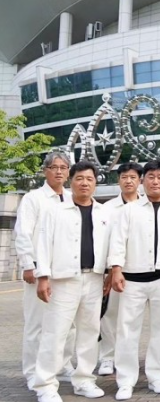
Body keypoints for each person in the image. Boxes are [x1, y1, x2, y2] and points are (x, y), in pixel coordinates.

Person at [109, 160, 160, 401]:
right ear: (143, 181)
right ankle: (125, 380)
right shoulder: (129, 210)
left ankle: (157, 377)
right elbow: (118, 241)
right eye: (151, 177)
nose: (155, 181)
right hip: (131, 280)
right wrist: (116, 269)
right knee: (127, 331)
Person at [32, 161, 111, 402]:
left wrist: (110, 272)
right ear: (71, 181)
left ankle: (84, 380)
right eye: (79, 178)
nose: (84, 183)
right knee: (55, 333)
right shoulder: (55, 211)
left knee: (89, 332)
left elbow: (111, 244)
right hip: (63, 280)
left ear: (96, 183)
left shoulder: (104, 213)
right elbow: (43, 245)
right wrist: (42, 276)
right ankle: (45, 385)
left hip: (94, 278)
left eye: (89, 179)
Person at [14, 151, 75, 390]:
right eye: (54, 167)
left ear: (68, 172)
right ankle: (32, 371)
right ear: (45, 171)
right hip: (40, 271)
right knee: (36, 324)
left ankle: (63, 365)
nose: (58, 171)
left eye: (63, 167)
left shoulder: (71, 198)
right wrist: (28, 265)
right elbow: (23, 233)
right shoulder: (34, 198)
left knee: (68, 324)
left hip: (67, 271)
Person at [99, 162, 143, 376]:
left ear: (140, 180)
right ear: (118, 181)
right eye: (124, 177)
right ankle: (107, 357)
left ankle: (130, 358)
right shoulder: (107, 209)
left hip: (141, 271)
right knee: (111, 314)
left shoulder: (147, 206)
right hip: (115, 270)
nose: (128, 181)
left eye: (133, 177)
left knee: (135, 320)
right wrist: (109, 270)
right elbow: (103, 241)